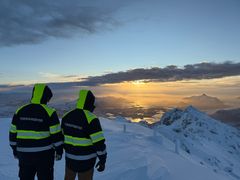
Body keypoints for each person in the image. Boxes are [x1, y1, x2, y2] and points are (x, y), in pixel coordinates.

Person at [9, 84, 63, 180]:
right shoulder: (50, 112)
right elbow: (56, 135)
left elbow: (13, 133)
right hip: (44, 155)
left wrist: (15, 150)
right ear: (46, 97)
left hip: (23, 155)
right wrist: (59, 151)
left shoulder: (20, 111)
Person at [61, 90, 107, 180]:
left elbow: (61, 138)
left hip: (70, 160)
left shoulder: (66, 116)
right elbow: (99, 144)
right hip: (86, 163)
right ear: (90, 103)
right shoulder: (92, 119)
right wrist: (102, 160)